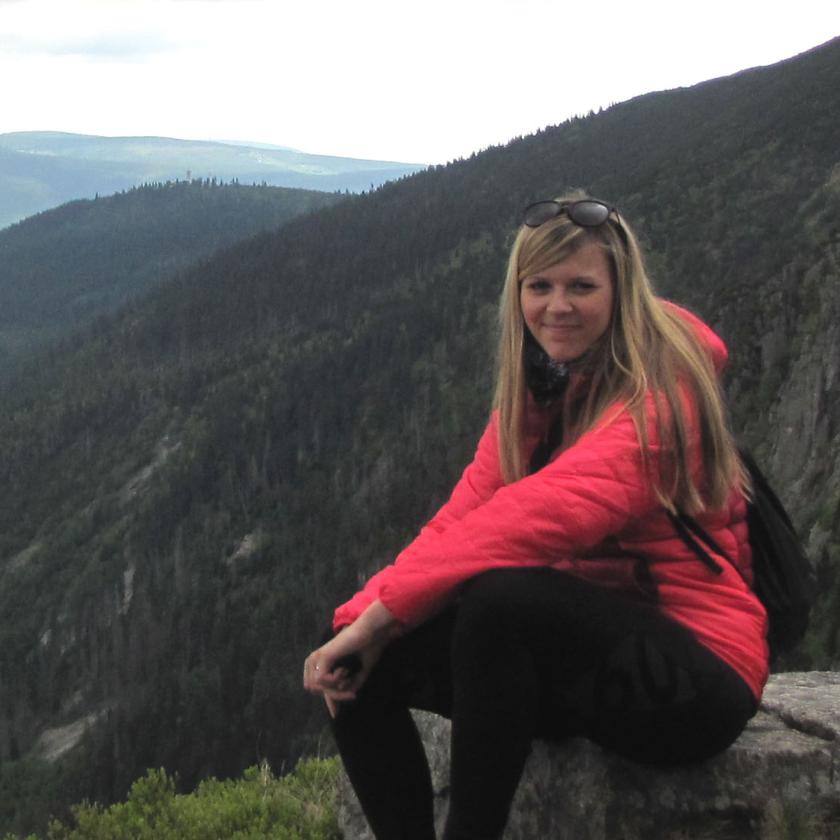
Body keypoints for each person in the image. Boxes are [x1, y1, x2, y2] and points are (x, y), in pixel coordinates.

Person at [303, 194, 769, 840]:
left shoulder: (664, 393)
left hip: (698, 674)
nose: (558, 306)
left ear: (622, 291)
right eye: (540, 286)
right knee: (357, 661)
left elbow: (541, 515)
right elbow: (464, 514)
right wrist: (364, 617)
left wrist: (386, 613)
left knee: (500, 601)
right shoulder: (544, 384)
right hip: (581, 659)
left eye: (582, 286)